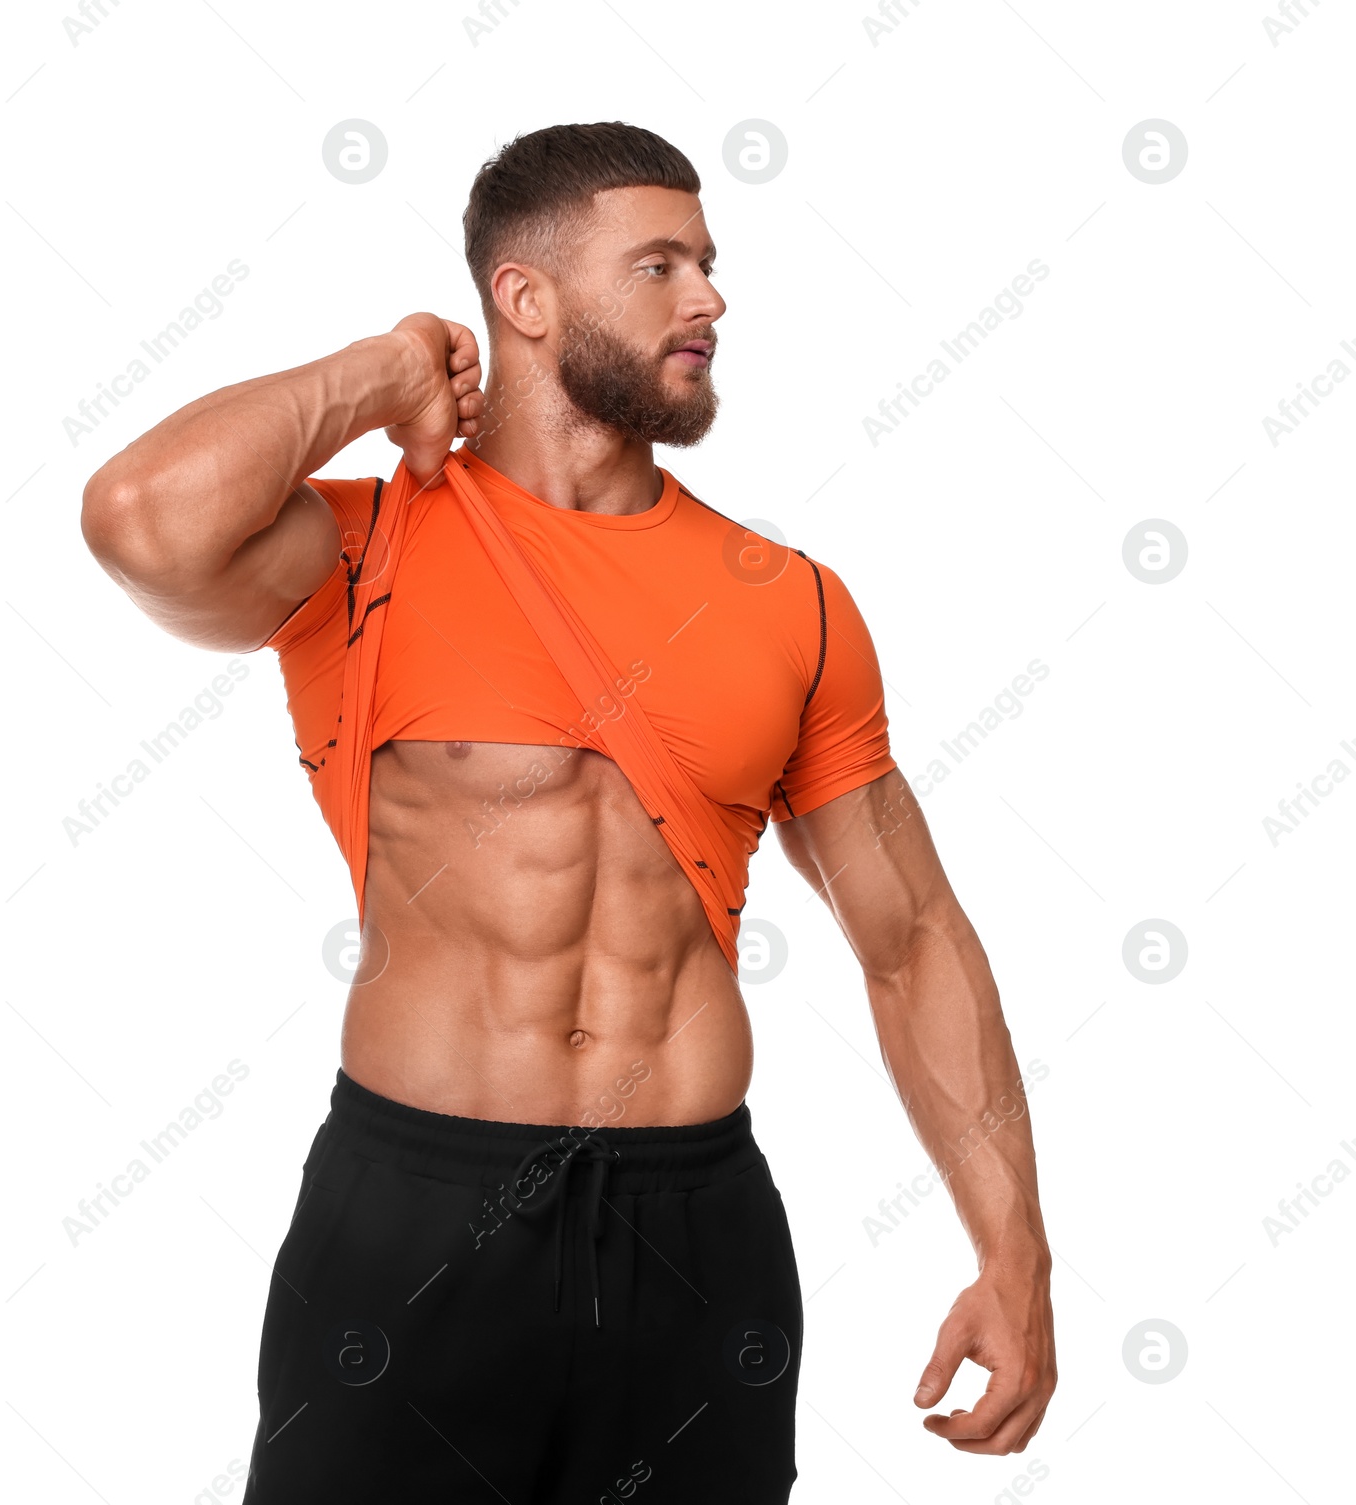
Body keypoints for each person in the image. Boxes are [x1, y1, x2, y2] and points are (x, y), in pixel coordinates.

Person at [80, 120, 1055, 1503]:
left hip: (695, 1233)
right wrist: (380, 374)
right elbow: (137, 517)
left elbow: (912, 940)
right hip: (414, 1221)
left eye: (709, 265)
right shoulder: (363, 547)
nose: (708, 297)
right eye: (657, 266)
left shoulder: (792, 603)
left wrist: (1014, 1251)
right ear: (524, 301)